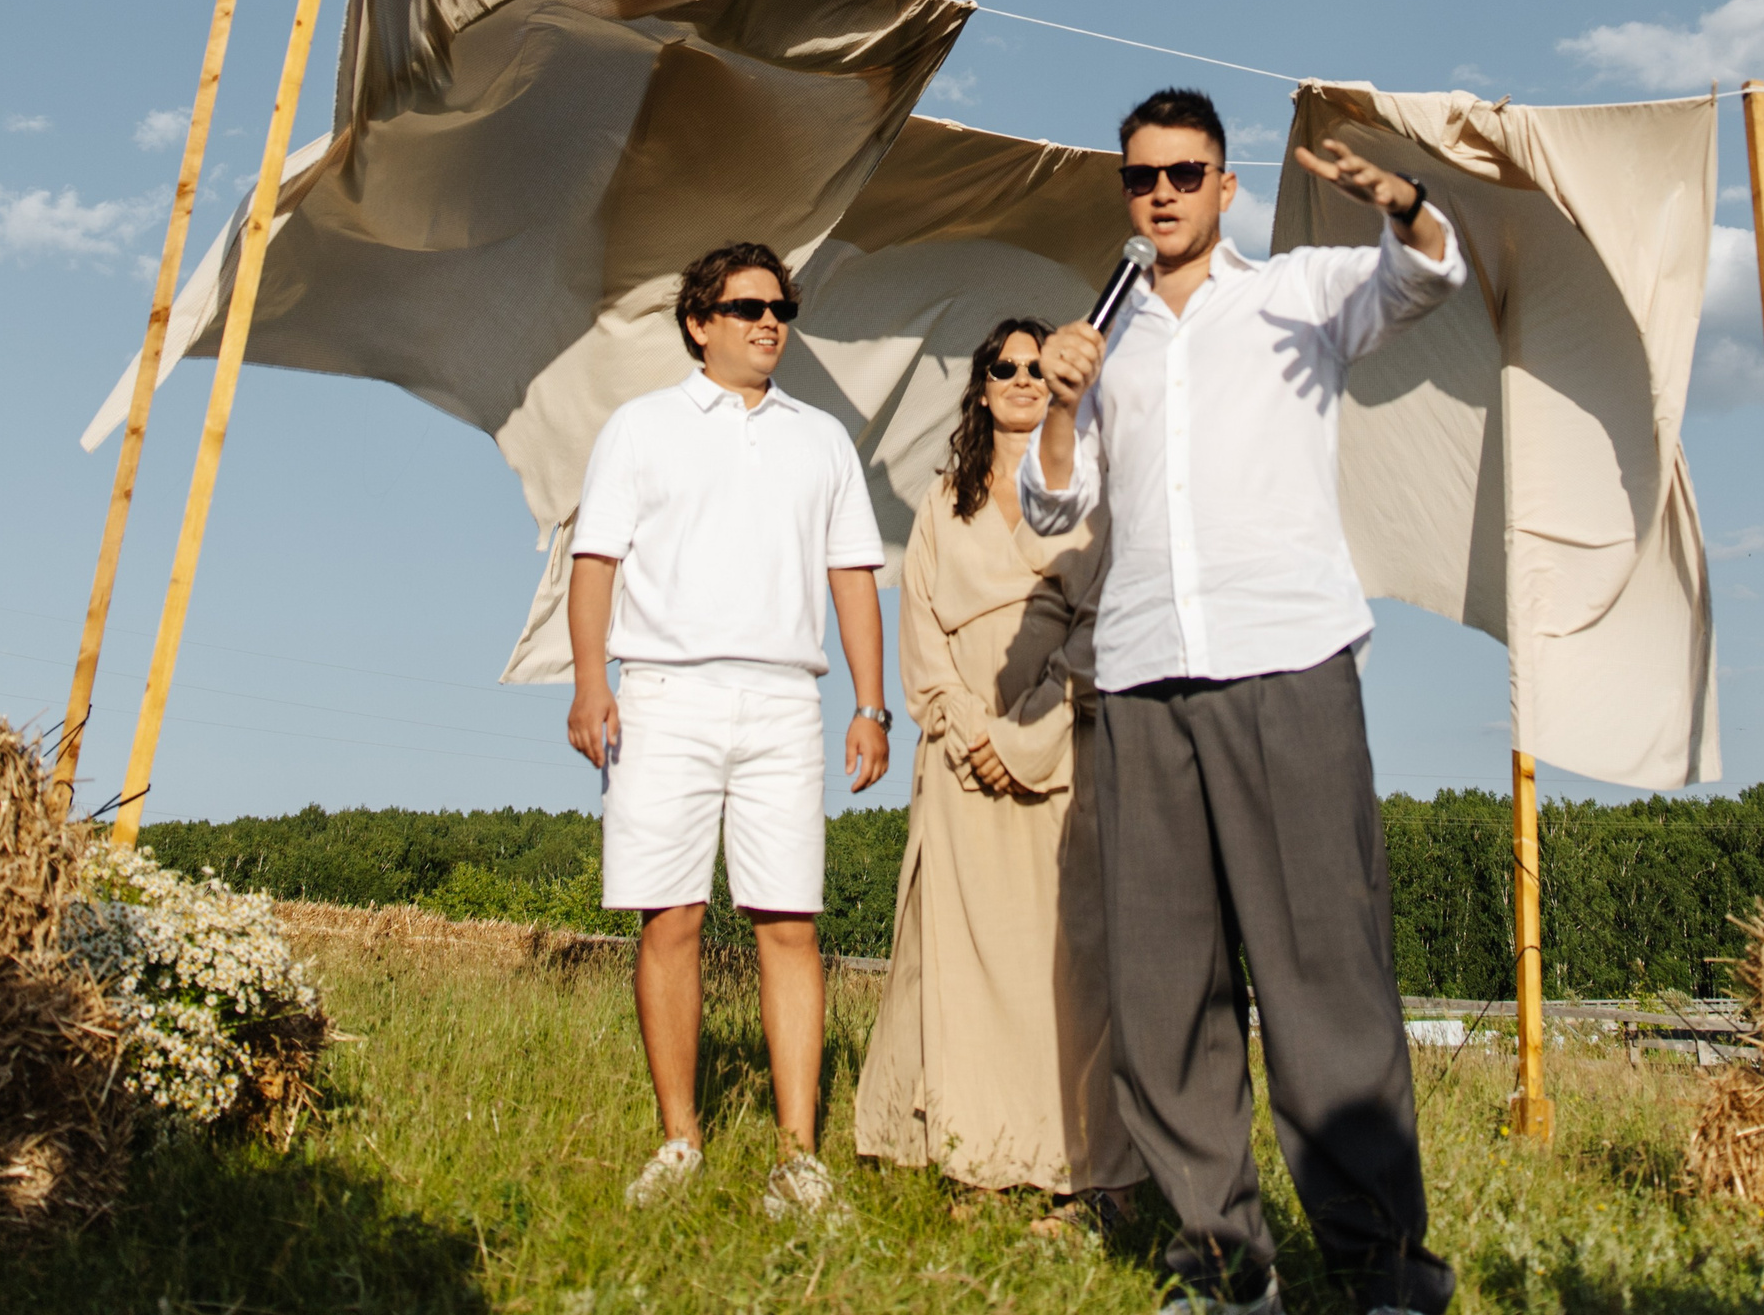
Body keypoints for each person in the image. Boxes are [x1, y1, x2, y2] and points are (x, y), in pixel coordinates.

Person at [1021, 89, 1467, 1315]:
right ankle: (1221, 1264)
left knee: (1322, 974)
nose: (1159, 194)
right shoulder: (1102, 343)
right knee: (1166, 985)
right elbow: (1055, 509)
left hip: (1286, 660)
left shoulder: (1299, 290)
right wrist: (1062, 400)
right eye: (1139, 177)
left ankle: (1382, 1269)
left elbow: (1423, 282)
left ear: (1226, 187)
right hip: (1148, 669)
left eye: (1184, 172)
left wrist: (1409, 207)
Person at [565, 240, 893, 1222]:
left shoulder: (822, 438)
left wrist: (871, 707)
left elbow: (851, 577)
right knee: (669, 916)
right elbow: (595, 561)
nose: (770, 322)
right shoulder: (640, 428)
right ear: (699, 323)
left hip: (787, 700)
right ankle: (680, 1142)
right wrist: (590, 685)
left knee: (787, 920)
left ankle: (800, 1159)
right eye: (748, 306)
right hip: (662, 693)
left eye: (782, 307)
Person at [854, 317, 1146, 1204]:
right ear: (982, 387)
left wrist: (1027, 733)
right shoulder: (943, 503)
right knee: (961, 954)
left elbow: (1105, 620)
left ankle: (1080, 1162)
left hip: (1063, 740)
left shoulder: (1089, 493)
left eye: (1035, 366)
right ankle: (968, 1151)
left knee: (1068, 957)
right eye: (1005, 367)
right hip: (959, 749)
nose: (1023, 378)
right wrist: (967, 728)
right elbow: (922, 631)